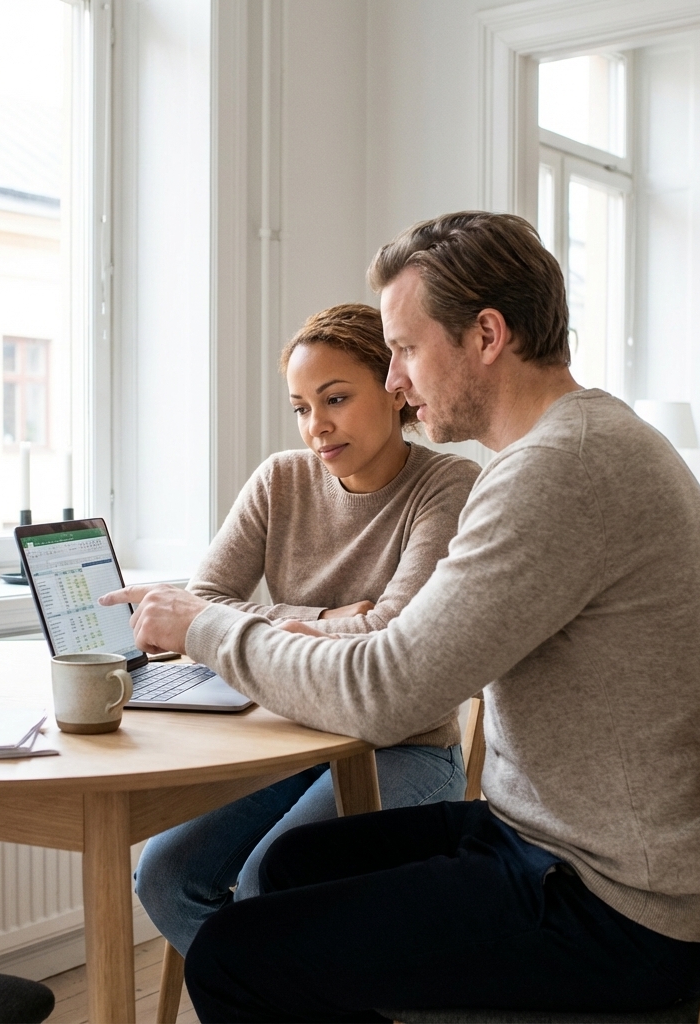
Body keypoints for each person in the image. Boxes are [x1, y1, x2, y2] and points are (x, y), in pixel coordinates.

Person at [102, 212, 700, 1022]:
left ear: (486, 335)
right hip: (559, 846)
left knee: (237, 957)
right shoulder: (575, 444)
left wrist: (204, 626)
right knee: (290, 868)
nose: (396, 381)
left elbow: (387, 692)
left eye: (406, 350)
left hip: (617, 909)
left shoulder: (559, 469)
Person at [133, 302, 480, 957]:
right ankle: (280, 993)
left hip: (403, 746)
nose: (316, 426)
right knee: (165, 876)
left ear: (395, 387)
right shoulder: (280, 480)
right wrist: (322, 620)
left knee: (270, 883)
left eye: (336, 399)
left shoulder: (449, 485)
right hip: (288, 738)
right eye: (301, 407)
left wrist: (249, 624)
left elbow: (391, 636)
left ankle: (285, 989)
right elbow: (203, 603)